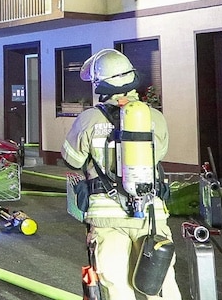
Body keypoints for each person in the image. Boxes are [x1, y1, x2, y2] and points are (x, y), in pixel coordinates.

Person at [62, 49, 181, 300]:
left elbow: (72, 160)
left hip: (107, 216)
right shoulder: (155, 117)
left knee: (116, 285)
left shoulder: (89, 119)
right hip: (151, 215)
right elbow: (157, 156)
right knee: (159, 284)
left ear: (99, 83)